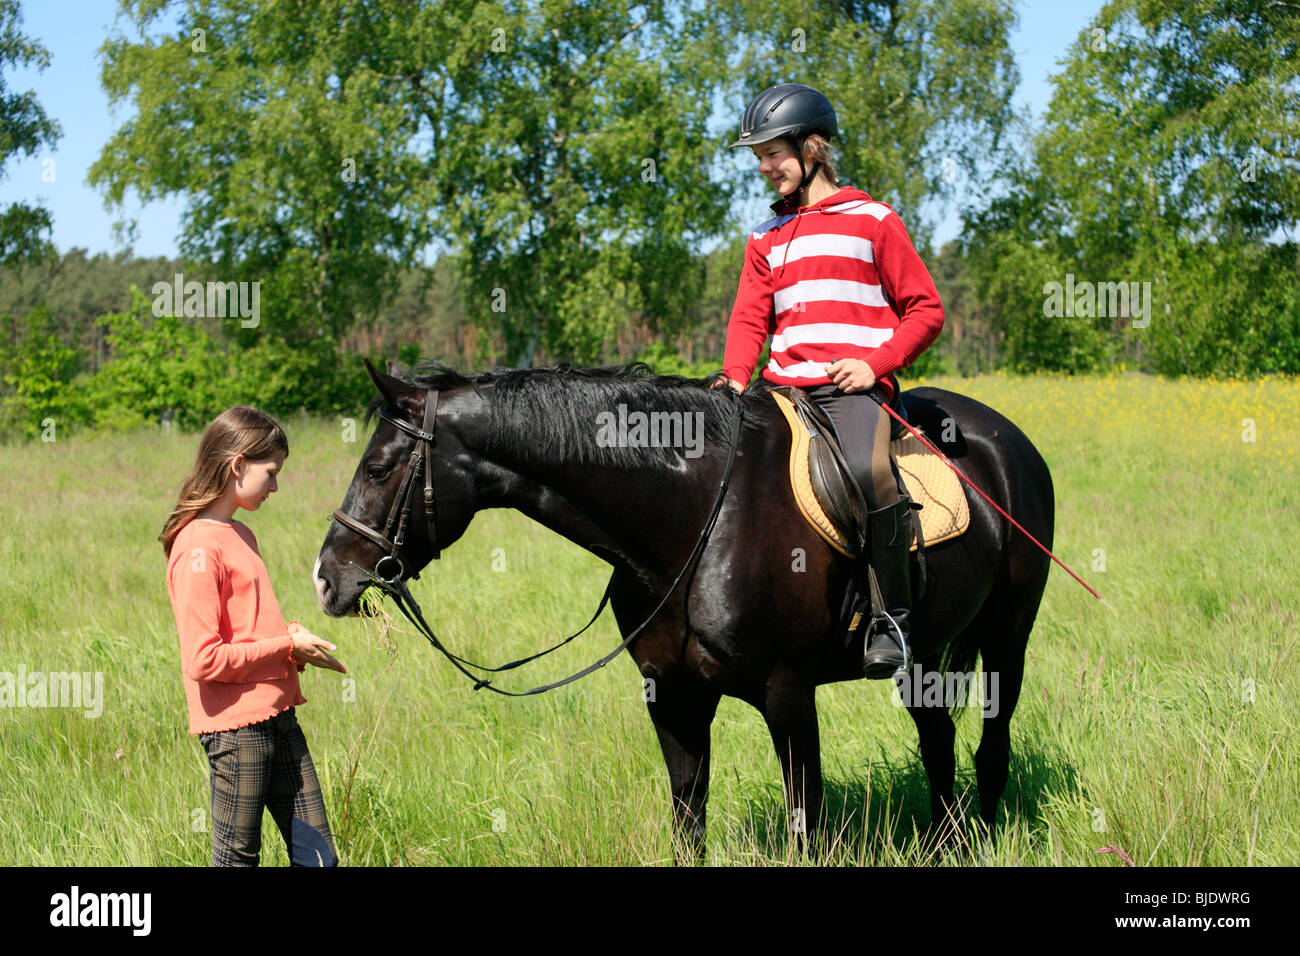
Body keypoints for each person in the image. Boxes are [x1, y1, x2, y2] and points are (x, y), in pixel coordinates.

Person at [717, 83, 945, 679]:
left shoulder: (874, 221)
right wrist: (736, 377)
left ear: (811, 147)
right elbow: (748, 319)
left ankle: (890, 617)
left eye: (773, 152)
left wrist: (875, 363)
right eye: (758, 156)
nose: (765, 167)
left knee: (872, 474)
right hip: (781, 390)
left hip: (850, 392)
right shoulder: (765, 238)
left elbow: (926, 309)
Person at [160, 405, 345, 866]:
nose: (276, 486)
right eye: (272, 472)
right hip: (235, 732)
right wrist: (285, 646)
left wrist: (292, 638)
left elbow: (244, 631)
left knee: (318, 857)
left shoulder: (240, 534)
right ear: (237, 464)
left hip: (280, 716)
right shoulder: (197, 547)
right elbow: (203, 659)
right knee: (237, 860)